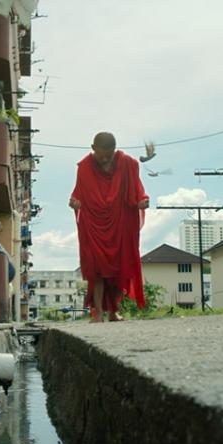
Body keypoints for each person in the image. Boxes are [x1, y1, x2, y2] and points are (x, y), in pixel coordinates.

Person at [69, 132, 149, 322]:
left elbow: (138, 189)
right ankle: (98, 312)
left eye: (109, 154)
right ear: (92, 148)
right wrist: (74, 202)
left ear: (115, 150)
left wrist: (142, 200)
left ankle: (114, 311)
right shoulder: (85, 167)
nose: (105, 159)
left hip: (120, 220)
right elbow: (77, 193)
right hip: (95, 224)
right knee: (96, 269)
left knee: (118, 268)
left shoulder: (128, 164)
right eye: (101, 154)